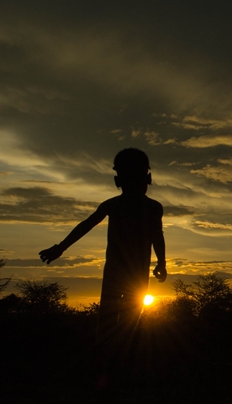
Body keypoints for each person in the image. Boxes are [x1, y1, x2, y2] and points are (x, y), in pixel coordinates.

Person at [40, 148, 167, 385]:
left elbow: (156, 236)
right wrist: (61, 247)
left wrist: (162, 262)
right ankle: (108, 376)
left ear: (117, 180)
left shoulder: (139, 207)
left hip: (127, 276)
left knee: (120, 325)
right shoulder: (137, 207)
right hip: (127, 276)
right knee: (118, 325)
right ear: (148, 178)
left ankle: (112, 375)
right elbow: (86, 225)